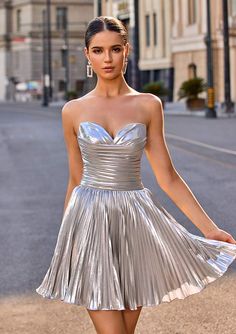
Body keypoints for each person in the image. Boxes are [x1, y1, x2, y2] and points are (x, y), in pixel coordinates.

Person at [36, 16, 236, 334]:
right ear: (87, 55)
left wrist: (209, 229)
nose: (108, 58)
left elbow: (167, 176)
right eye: (98, 50)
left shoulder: (148, 105)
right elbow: (75, 179)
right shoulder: (73, 111)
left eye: (115, 49)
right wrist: (67, 240)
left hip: (135, 224)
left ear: (126, 50)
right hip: (89, 222)